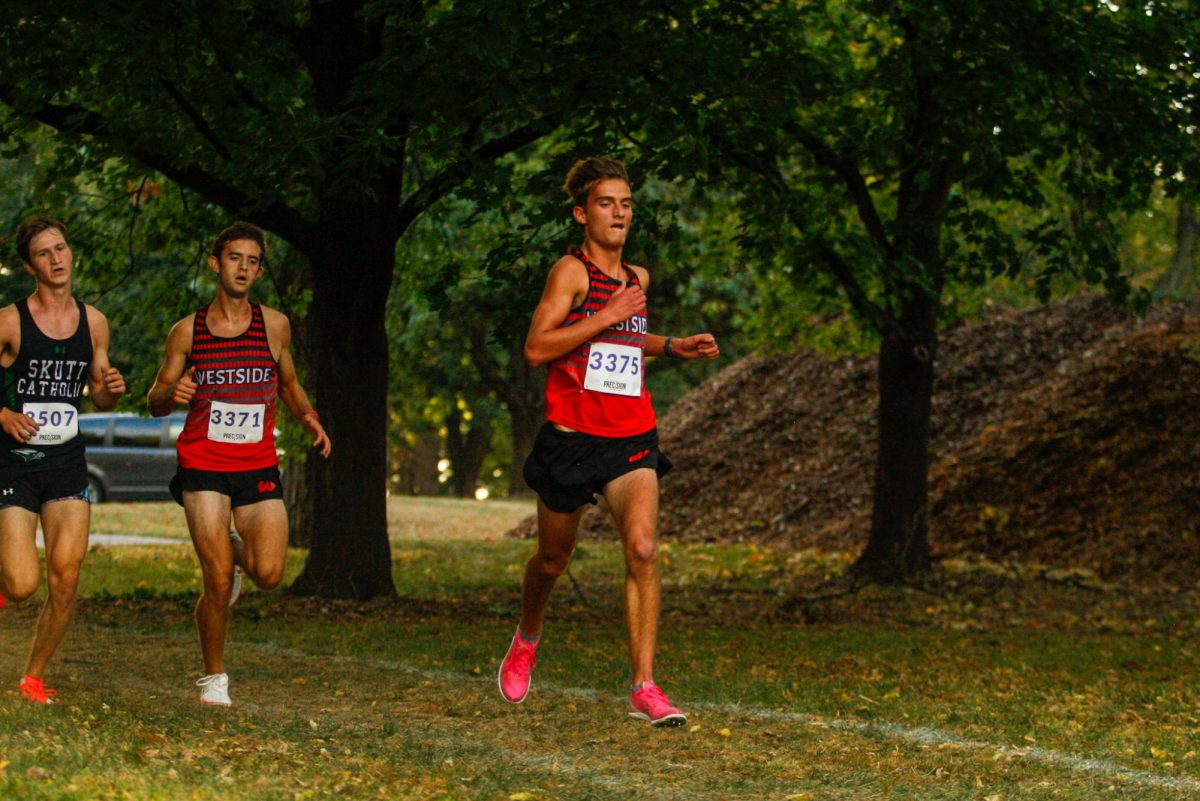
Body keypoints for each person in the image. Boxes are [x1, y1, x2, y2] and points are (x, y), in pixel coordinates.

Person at [497, 158, 720, 726]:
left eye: (625, 203)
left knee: (643, 548)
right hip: (571, 441)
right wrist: (606, 314)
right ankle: (527, 636)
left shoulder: (638, 278)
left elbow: (627, 339)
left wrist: (672, 346)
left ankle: (645, 685)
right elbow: (537, 347)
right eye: (605, 203)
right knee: (551, 561)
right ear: (581, 214)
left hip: (630, 434)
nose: (618, 212)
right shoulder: (570, 274)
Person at [147, 221, 330, 706]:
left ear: (260, 270)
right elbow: (155, 400)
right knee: (218, 579)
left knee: (270, 573)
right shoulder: (188, 331)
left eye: (252, 261)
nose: (243, 268)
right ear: (216, 263)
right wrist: (172, 391)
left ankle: (235, 551)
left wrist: (309, 417)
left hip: (256, 465)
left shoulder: (274, 325)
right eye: (234, 258)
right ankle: (214, 678)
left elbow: (287, 383)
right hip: (203, 463)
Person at [0, 215, 126, 704]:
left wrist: (110, 389)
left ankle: (32, 676)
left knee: (66, 578)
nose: (57, 259)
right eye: (44, 254)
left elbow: (101, 395)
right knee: (22, 582)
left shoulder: (94, 322)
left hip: (67, 463)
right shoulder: (11, 320)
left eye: (61, 248)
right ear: (31, 266)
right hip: (15, 463)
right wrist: (4, 414)